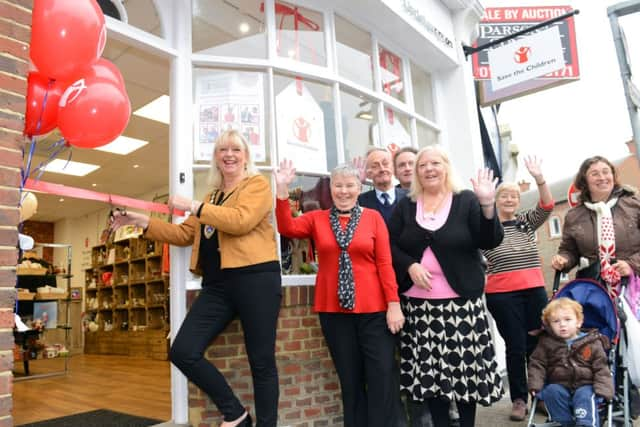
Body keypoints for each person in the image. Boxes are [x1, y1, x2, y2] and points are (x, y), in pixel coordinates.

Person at [110, 130, 281, 427]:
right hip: (218, 287)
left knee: (261, 361)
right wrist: (142, 221)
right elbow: (184, 234)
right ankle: (236, 414)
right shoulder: (212, 197)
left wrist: (193, 206)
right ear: (215, 157)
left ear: (246, 157)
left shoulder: (257, 185)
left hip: (256, 280)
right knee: (183, 350)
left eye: (235, 150)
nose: (229, 155)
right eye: (222, 150)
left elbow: (241, 221)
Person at [274, 159, 405, 427]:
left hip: (375, 310)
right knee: (349, 378)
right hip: (335, 311)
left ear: (359, 188)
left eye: (349, 185)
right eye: (338, 186)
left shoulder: (373, 218)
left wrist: (393, 303)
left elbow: (384, 263)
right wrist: (281, 189)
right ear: (330, 189)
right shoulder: (317, 219)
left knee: (381, 375)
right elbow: (286, 227)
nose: (343, 191)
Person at [388, 145, 505, 427]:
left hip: (461, 305)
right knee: (431, 376)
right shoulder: (405, 204)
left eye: (435, 163)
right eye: (423, 165)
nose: (429, 169)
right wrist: (409, 265)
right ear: (416, 173)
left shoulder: (465, 200)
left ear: (446, 166)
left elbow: (489, 240)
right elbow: (388, 245)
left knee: (465, 374)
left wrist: (488, 205)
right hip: (419, 307)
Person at [481, 155, 554, 421]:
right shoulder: (487, 227)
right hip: (502, 294)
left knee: (538, 344)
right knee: (515, 345)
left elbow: (547, 205)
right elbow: (472, 251)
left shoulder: (525, 221)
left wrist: (539, 178)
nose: (510, 200)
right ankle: (519, 400)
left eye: (514, 196)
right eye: (505, 196)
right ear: (496, 200)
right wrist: (481, 262)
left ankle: (541, 394)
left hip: (534, 289)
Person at [551, 156, 640, 296]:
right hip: (596, 290)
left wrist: (632, 265)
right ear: (584, 181)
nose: (602, 177)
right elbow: (569, 250)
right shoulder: (574, 216)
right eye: (595, 174)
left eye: (606, 172)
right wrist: (563, 259)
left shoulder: (634, 204)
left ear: (613, 176)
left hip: (634, 285)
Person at [528, 297, 613, 427]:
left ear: (579, 322)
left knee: (585, 395)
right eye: (556, 321)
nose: (562, 324)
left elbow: (601, 368)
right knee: (551, 391)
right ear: (549, 326)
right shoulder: (546, 343)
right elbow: (537, 364)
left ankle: (585, 424)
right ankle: (562, 423)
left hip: (586, 385)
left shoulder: (592, 342)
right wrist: (535, 384)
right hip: (559, 384)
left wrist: (604, 390)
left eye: (567, 319)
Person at [357, 148, 408, 224]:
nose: (382, 169)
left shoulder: (410, 197)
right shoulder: (361, 201)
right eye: (375, 166)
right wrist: (356, 183)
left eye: (385, 163)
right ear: (368, 173)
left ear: (393, 167)